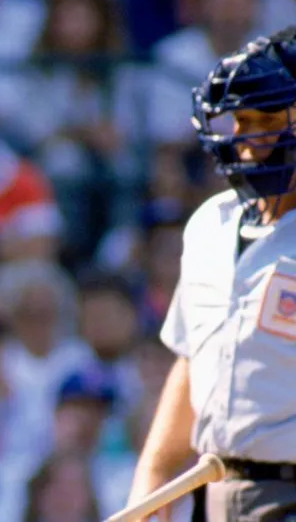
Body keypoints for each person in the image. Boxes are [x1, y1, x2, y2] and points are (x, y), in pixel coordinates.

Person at [127, 26, 296, 522]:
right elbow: (193, 360)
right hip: (215, 492)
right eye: (239, 120)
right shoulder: (209, 223)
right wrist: (154, 478)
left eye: (265, 119)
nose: (246, 139)